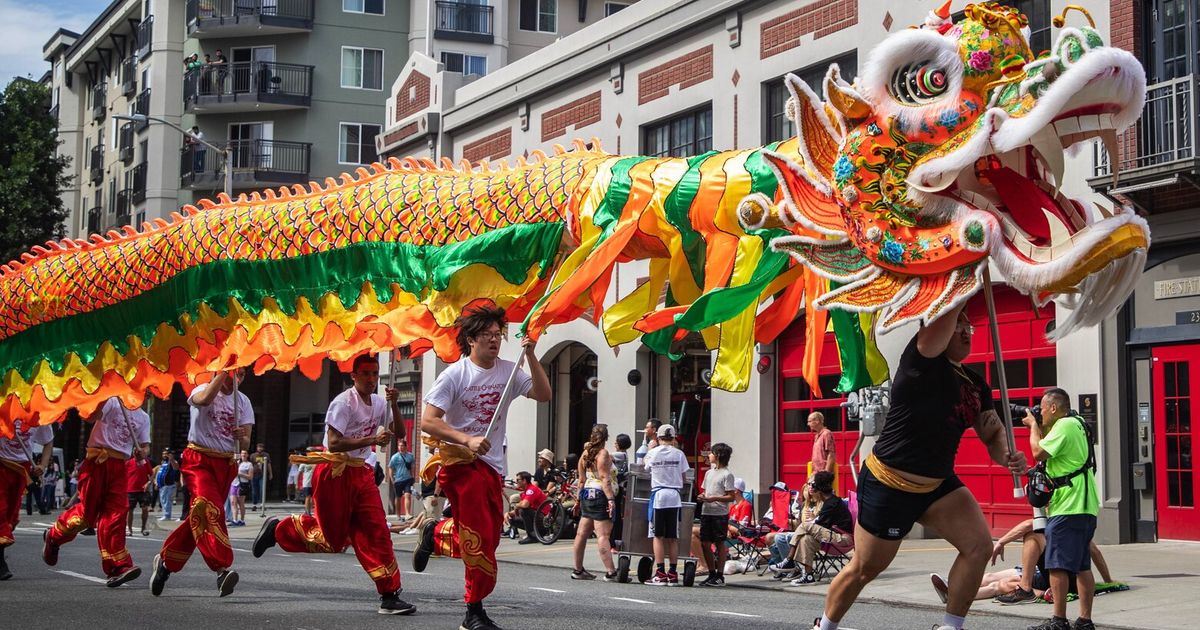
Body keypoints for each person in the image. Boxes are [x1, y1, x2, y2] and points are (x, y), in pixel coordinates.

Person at [816, 305, 1026, 630]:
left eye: (970, 326)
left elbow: (993, 432)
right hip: (889, 482)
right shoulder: (920, 359)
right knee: (866, 568)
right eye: (959, 325)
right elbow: (941, 318)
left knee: (979, 547)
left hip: (937, 486)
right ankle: (825, 627)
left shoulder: (976, 385)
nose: (966, 331)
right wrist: (962, 272)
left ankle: (950, 626)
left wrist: (1007, 455)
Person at [410, 305, 551, 630]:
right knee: (478, 537)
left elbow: (543, 394)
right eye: (487, 335)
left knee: (489, 539)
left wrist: (531, 354)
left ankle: (437, 532)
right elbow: (428, 422)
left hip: (492, 468)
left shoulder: (508, 370)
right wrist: (466, 439)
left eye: (498, 335)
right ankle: (473, 611)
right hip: (461, 465)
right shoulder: (454, 375)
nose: (494, 340)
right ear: (470, 339)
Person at [252, 355, 414, 614]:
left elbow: (400, 433)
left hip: (362, 474)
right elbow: (335, 442)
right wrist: (371, 438)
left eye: (375, 374)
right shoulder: (343, 403)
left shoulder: (380, 403)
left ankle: (389, 594)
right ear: (354, 376)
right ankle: (280, 528)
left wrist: (394, 405)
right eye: (365, 374)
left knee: (378, 532)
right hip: (334, 473)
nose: (371, 379)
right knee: (334, 540)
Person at [151, 369, 255, 598]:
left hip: (226, 464)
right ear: (219, 372)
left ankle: (166, 563)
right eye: (231, 375)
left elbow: (247, 438)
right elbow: (205, 400)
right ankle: (221, 568)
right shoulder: (201, 390)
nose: (235, 380)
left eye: (240, 375)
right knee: (209, 509)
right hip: (198, 460)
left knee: (200, 516)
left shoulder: (244, 402)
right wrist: (223, 370)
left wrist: (241, 437)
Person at [44, 397, 150, 586]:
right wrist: (104, 396)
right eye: (146, 388)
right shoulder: (113, 402)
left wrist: (143, 452)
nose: (149, 393)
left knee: (117, 514)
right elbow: (91, 417)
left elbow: (145, 444)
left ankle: (118, 566)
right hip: (97, 462)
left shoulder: (143, 417)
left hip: (119, 467)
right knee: (87, 516)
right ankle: (54, 536)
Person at [1023, 388, 1100, 630]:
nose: (1041, 413)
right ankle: (1085, 621)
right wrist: (1040, 425)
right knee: (1081, 565)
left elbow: (1038, 451)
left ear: (1054, 408)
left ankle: (1058, 621)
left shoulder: (1064, 426)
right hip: (1085, 504)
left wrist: (1034, 427)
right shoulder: (1077, 423)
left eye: (1043, 409)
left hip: (1068, 505)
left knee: (1056, 564)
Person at [771, 472, 853, 585]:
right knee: (806, 539)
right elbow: (820, 527)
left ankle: (789, 559)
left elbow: (818, 525)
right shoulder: (828, 502)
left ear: (819, 489)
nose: (811, 489)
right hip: (831, 536)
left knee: (805, 526)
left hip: (843, 539)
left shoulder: (832, 503)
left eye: (813, 485)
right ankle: (808, 576)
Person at [0, 419, 54, 580]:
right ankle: (0, 562)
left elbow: (48, 441)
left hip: (21, 470)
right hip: (1, 463)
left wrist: (42, 466)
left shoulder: (37, 414)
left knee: (11, 517)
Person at [643, 423, 690, 586]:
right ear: (674, 437)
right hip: (674, 496)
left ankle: (660, 572)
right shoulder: (679, 454)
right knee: (672, 537)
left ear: (659, 437)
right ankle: (673, 573)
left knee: (657, 535)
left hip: (659, 497)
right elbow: (684, 479)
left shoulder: (652, 453)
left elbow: (645, 468)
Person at [572, 424, 618, 581]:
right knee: (603, 535)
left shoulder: (585, 454)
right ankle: (611, 572)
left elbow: (581, 480)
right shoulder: (603, 454)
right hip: (600, 495)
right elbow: (605, 478)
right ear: (605, 438)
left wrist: (578, 500)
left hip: (586, 495)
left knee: (581, 533)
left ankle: (578, 570)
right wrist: (611, 499)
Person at [695, 442, 736, 587]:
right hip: (707, 511)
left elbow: (731, 496)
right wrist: (702, 496)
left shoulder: (727, 474)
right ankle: (711, 572)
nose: (709, 455)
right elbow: (705, 491)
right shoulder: (709, 473)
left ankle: (719, 575)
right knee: (705, 542)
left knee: (719, 543)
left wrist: (714, 498)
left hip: (720, 513)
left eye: (711, 453)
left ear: (718, 456)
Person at [503, 471, 546, 544]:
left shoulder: (531, 489)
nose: (516, 482)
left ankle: (532, 536)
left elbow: (524, 505)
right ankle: (536, 534)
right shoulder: (525, 492)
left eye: (518, 480)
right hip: (536, 516)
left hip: (544, 518)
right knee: (512, 519)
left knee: (524, 511)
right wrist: (508, 513)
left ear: (524, 481)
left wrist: (516, 506)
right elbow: (522, 505)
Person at [126, 448, 154, 537]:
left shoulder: (145, 462)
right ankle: (129, 529)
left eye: (139, 453)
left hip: (143, 490)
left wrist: (148, 483)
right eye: (135, 453)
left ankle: (143, 528)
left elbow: (151, 474)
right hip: (130, 490)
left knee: (145, 508)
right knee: (130, 510)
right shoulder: (128, 463)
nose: (137, 454)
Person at [611, 433, 632, 550]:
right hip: (620, 487)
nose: (614, 444)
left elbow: (605, 456)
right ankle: (615, 541)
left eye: (616, 442)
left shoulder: (619, 454)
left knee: (615, 515)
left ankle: (613, 542)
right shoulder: (625, 454)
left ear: (620, 444)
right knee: (617, 514)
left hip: (616, 488)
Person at [388, 437, 415, 518]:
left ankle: (407, 513)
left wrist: (412, 476)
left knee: (408, 495)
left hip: (408, 479)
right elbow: (390, 468)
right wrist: (392, 479)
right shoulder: (395, 457)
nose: (401, 447)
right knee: (398, 497)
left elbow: (412, 466)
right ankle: (398, 514)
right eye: (399, 446)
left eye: (402, 445)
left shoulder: (410, 456)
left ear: (406, 446)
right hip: (398, 480)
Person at [808, 411, 836, 478]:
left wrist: (826, 474)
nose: (808, 424)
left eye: (810, 421)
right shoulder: (817, 436)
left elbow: (831, 454)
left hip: (823, 475)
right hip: (816, 473)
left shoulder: (826, 434)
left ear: (817, 421)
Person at [155, 450, 180, 521]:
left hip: (169, 485)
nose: (164, 455)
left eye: (166, 454)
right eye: (163, 454)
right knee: (163, 501)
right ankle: (165, 514)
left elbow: (176, 468)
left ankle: (167, 515)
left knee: (167, 501)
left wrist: (171, 459)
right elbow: (160, 472)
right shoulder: (163, 462)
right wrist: (157, 483)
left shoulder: (172, 462)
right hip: (162, 485)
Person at [233, 450, 252, 526]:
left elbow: (250, 477)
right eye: (242, 453)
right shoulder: (237, 462)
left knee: (241, 503)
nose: (243, 455)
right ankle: (235, 520)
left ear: (247, 455)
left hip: (243, 484)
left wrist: (240, 474)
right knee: (233, 503)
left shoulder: (249, 464)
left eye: (245, 453)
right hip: (234, 484)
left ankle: (242, 520)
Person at [251, 443, 271, 512]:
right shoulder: (253, 455)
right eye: (259, 447)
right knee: (254, 490)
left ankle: (262, 504)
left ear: (263, 448)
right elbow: (250, 465)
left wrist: (270, 474)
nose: (260, 448)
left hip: (263, 474)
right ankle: (254, 505)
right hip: (254, 474)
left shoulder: (266, 455)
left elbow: (268, 464)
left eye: (261, 447)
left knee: (262, 490)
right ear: (257, 448)